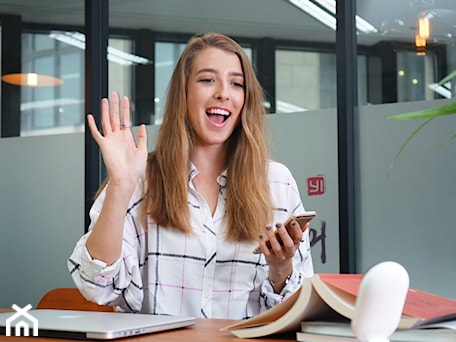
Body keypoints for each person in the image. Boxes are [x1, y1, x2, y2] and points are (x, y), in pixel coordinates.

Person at [68, 32, 313, 320]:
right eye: (208, 80)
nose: (223, 92)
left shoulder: (277, 183)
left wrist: (281, 268)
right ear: (183, 93)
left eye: (236, 83)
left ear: (245, 100)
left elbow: (298, 311)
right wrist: (121, 186)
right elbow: (96, 286)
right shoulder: (139, 177)